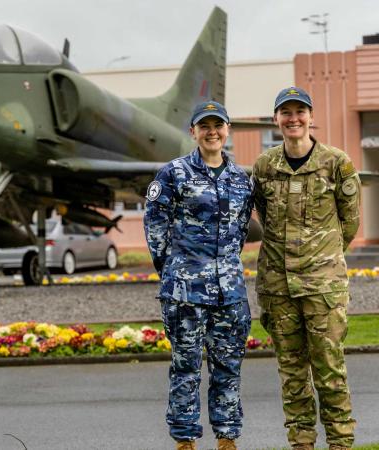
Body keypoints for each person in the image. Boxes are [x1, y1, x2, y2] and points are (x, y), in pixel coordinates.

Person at [251, 86, 360, 450]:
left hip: (322, 289)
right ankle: (301, 444)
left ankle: (341, 444)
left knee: (329, 371)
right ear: (276, 120)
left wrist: (321, 257)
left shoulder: (336, 163)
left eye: (300, 112)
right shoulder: (265, 167)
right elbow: (265, 219)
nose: (293, 118)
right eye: (286, 112)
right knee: (292, 374)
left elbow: (350, 222)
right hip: (278, 289)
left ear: (312, 118)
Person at [144, 100, 253, 450]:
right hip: (185, 292)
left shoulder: (240, 179)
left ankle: (227, 438)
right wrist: (175, 269)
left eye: (218, 125)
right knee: (185, 369)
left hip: (230, 293)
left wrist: (226, 267)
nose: (212, 132)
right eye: (204, 126)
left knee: (228, 369)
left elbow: (240, 229)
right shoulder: (173, 174)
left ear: (227, 130)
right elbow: (155, 227)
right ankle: (185, 440)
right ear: (193, 131)